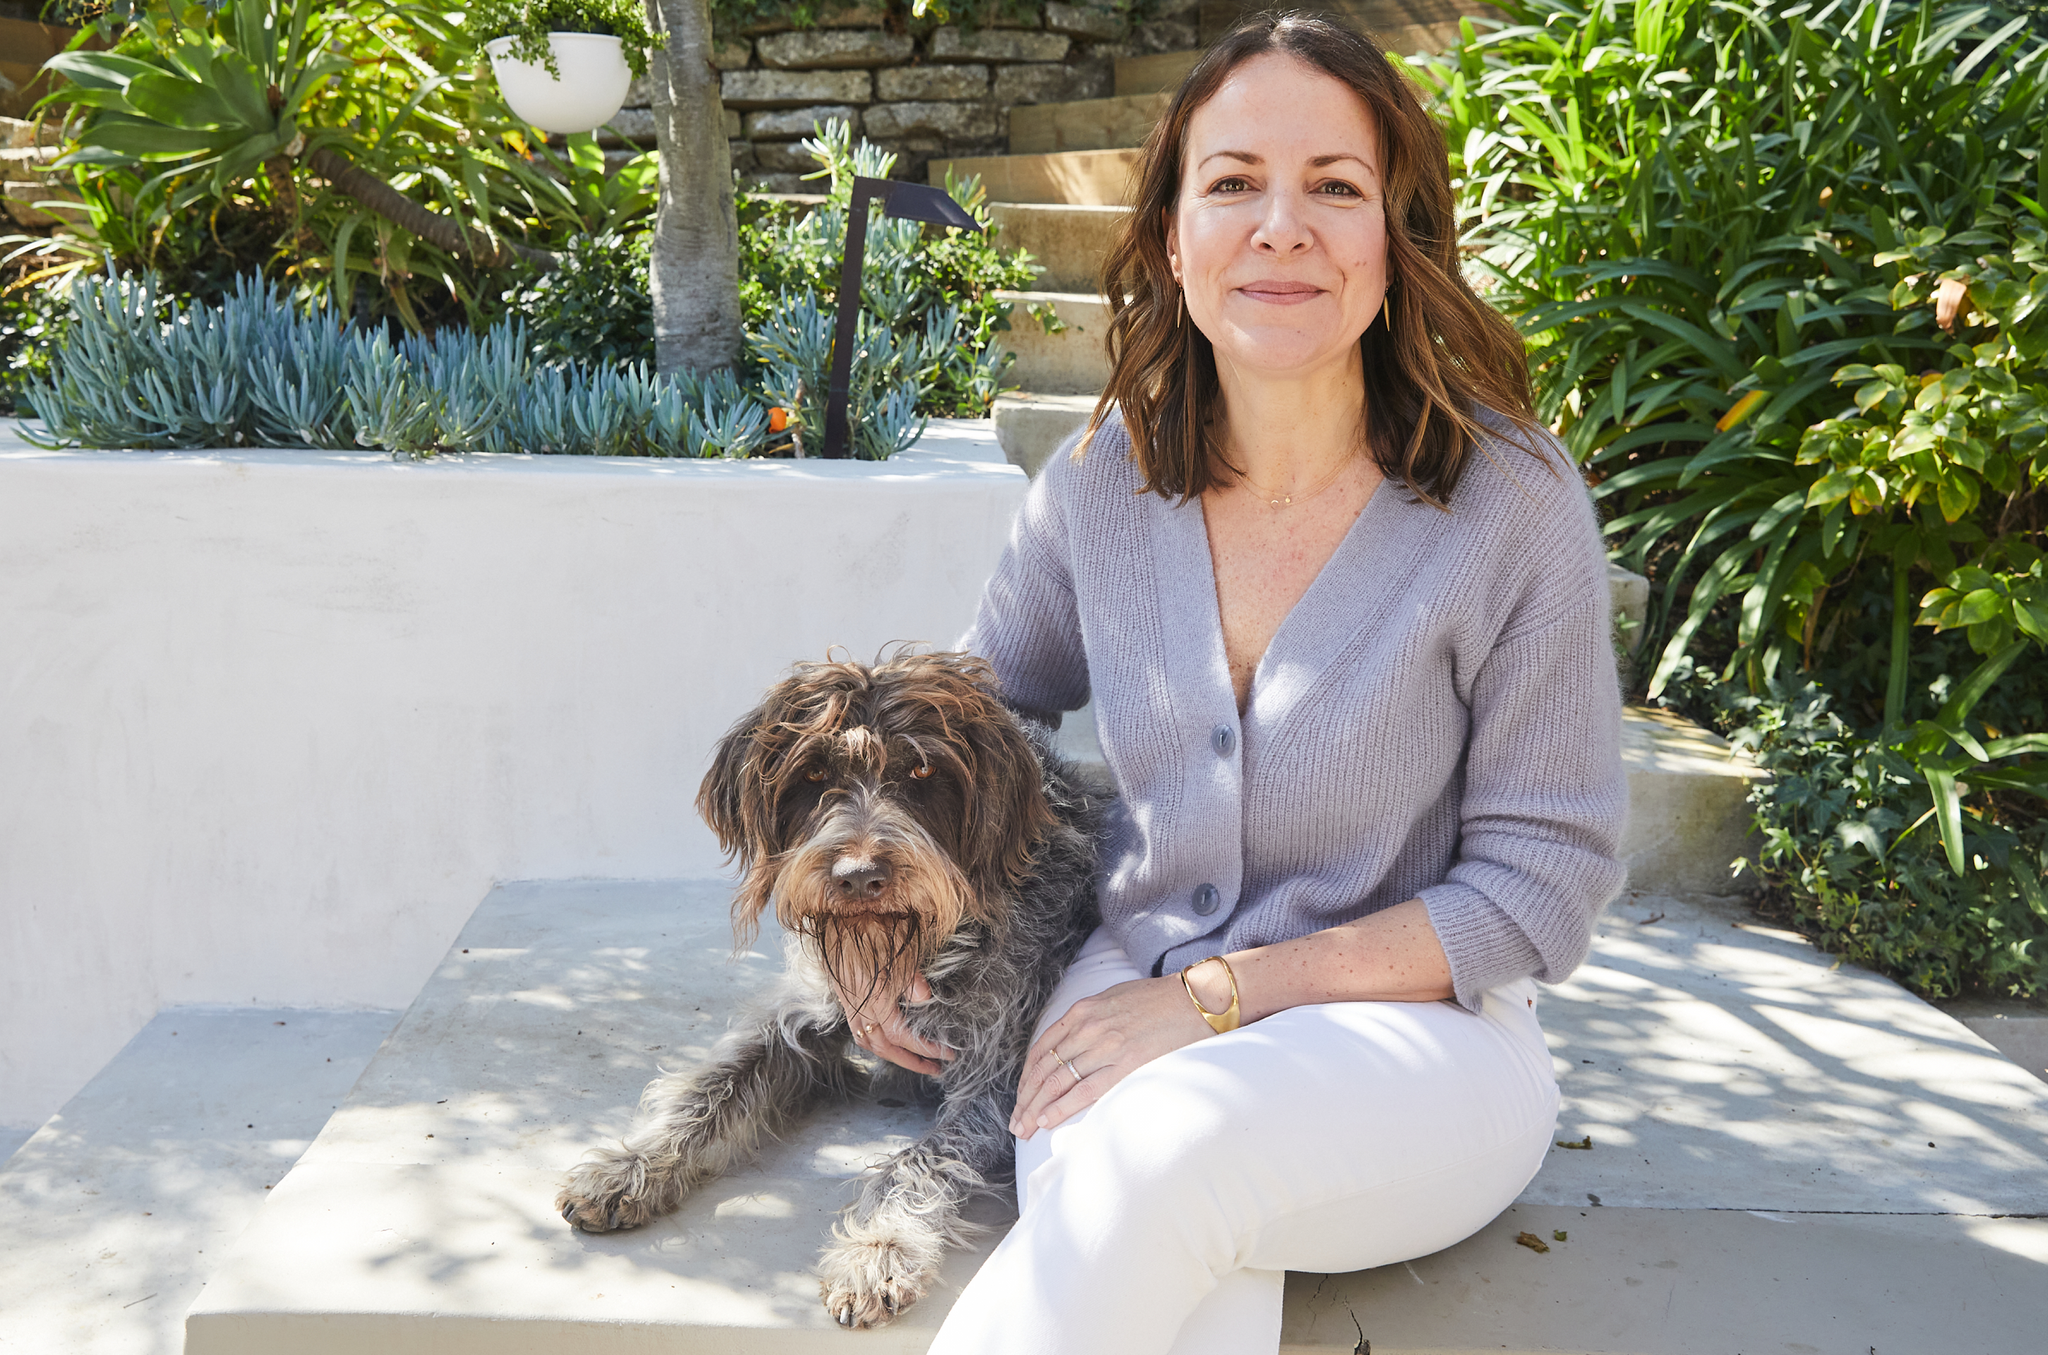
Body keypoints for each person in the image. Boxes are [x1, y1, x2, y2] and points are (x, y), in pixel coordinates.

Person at [835, 13, 1628, 1352]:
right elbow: (974, 733)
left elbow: (1540, 882)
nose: (1282, 227)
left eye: (1335, 185)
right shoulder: (1100, 486)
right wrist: (890, 929)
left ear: (1400, 238)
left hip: (1419, 1043)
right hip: (1117, 995)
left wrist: (1217, 999)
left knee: (1159, 1163)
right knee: (1181, 1273)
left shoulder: (1510, 505)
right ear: (1170, 241)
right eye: (1234, 182)